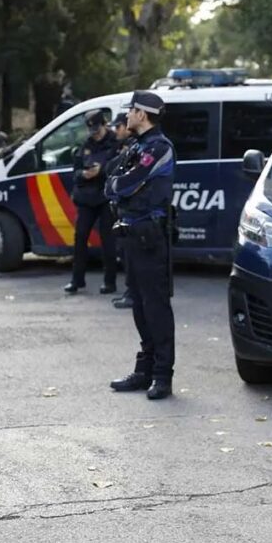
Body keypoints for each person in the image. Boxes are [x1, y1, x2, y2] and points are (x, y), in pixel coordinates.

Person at [106, 91, 176, 400]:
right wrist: (116, 186)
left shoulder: (158, 148)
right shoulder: (137, 146)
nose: (128, 116)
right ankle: (144, 370)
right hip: (132, 233)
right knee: (138, 304)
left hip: (149, 236)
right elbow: (111, 178)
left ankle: (162, 376)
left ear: (143, 115)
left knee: (156, 307)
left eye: (132, 111)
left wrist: (117, 186)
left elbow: (125, 183)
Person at [64, 110, 119, 294]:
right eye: (92, 131)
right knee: (80, 238)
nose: (95, 134)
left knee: (107, 240)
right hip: (86, 198)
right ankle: (77, 280)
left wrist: (101, 171)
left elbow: (118, 167)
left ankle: (109, 282)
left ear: (104, 124)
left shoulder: (115, 143)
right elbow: (76, 172)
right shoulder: (86, 145)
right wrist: (84, 174)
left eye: (97, 130)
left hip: (105, 197)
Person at [105, 112, 136, 309]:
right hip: (121, 210)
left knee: (131, 255)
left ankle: (132, 293)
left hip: (133, 212)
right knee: (125, 253)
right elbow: (110, 167)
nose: (115, 131)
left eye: (118, 127)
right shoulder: (119, 146)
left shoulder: (135, 146)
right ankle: (130, 291)